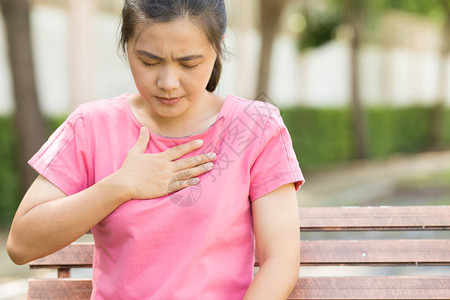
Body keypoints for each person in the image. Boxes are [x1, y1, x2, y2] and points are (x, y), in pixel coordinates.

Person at [7, 0, 304, 299]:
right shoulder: (91, 126)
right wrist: (120, 186)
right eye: (149, 61)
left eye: (189, 63)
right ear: (127, 46)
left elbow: (280, 262)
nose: (167, 83)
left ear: (218, 48)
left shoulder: (256, 128)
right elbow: (21, 245)